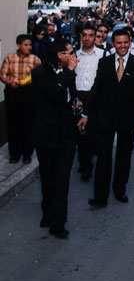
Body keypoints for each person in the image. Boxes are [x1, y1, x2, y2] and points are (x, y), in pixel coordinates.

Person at [82, 28, 134, 207]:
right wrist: (85, 113)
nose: (122, 46)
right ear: (113, 44)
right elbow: (96, 89)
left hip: (129, 118)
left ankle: (120, 190)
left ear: (130, 43)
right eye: (118, 43)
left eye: (125, 42)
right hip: (105, 117)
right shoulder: (104, 63)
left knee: (124, 155)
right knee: (103, 156)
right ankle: (100, 196)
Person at [31, 40, 79, 239]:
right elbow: (55, 93)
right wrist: (68, 73)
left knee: (62, 179)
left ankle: (58, 223)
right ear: (60, 55)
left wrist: (76, 104)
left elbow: (69, 95)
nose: (73, 56)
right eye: (70, 52)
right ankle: (48, 213)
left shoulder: (68, 72)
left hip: (66, 135)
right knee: (47, 177)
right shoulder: (40, 72)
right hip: (46, 135)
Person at [0, 34, 40, 164]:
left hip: (29, 93)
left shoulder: (35, 60)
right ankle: (14, 154)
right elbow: (2, 75)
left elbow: (40, 76)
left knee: (28, 124)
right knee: (13, 124)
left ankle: (27, 153)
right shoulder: (9, 59)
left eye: (30, 45)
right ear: (18, 45)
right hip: (13, 93)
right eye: (25, 45)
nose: (29, 47)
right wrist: (10, 82)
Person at [73, 24, 103, 181]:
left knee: (90, 133)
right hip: (78, 97)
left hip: (95, 97)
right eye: (84, 35)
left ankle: (87, 166)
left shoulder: (103, 55)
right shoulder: (74, 55)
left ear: (96, 36)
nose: (87, 38)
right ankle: (83, 162)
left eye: (91, 35)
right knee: (79, 133)